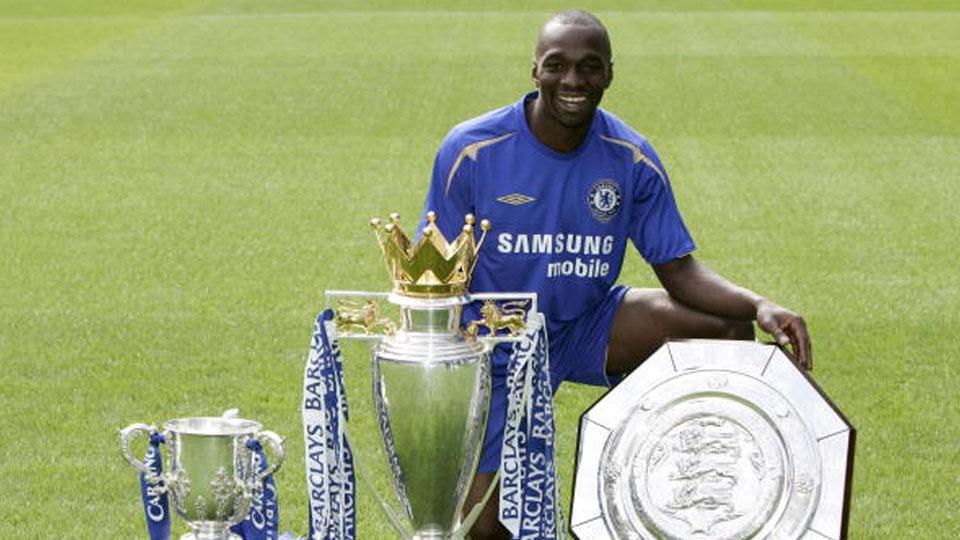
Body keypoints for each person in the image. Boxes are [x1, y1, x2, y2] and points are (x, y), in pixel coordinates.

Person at [419, 10, 812, 539]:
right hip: (496, 345)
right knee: (482, 531)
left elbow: (678, 269)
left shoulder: (630, 157)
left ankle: (672, 485)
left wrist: (759, 304)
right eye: (557, 66)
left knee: (723, 330)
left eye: (589, 67)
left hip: (583, 326)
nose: (573, 81)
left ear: (609, 74)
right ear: (534, 70)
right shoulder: (470, 149)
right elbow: (441, 277)